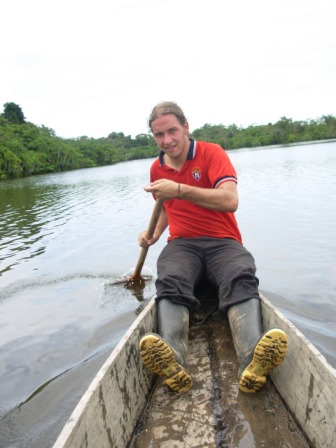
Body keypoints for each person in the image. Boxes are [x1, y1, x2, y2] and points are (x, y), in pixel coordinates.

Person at [138, 101, 288, 394]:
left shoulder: (212, 153)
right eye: (159, 135)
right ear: (154, 137)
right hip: (182, 244)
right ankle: (173, 359)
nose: (167, 140)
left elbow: (230, 200)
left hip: (223, 241)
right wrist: (153, 234)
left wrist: (179, 188)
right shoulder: (156, 169)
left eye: (172, 131)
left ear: (185, 127)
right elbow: (165, 208)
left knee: (239, 275)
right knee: (170, 278)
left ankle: (251, 361)